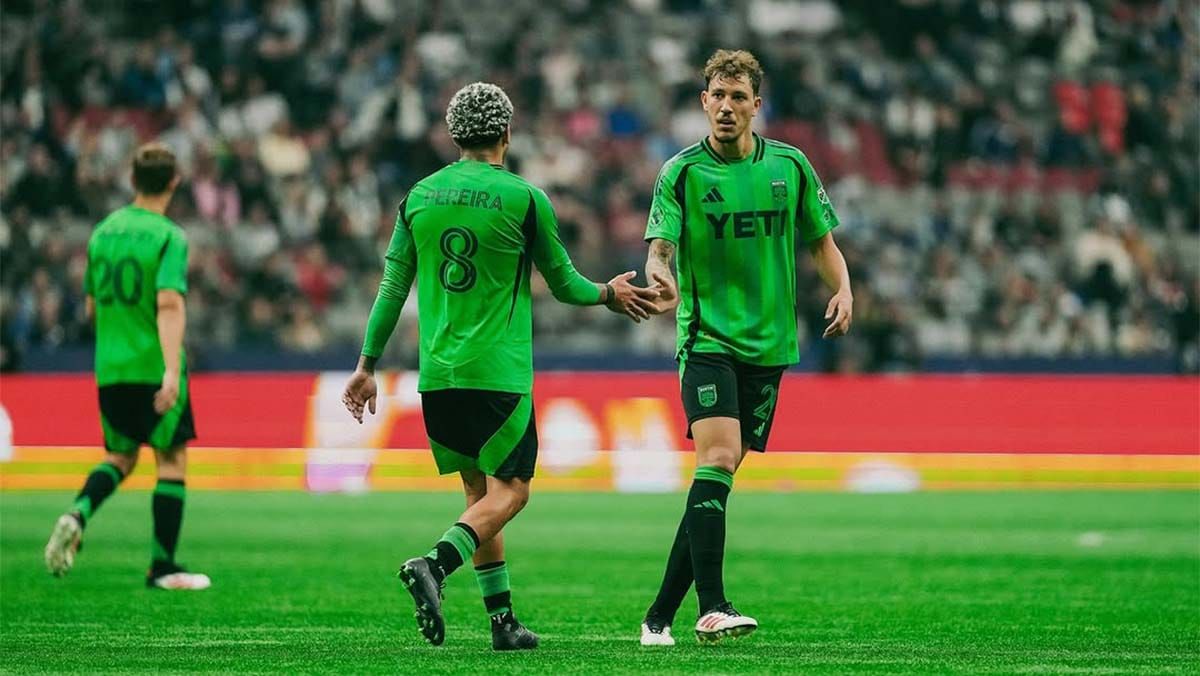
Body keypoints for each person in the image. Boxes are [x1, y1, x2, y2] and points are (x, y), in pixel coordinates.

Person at [341, 82, 658, 650]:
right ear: (507, 134)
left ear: (454, 134)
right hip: (498, 375)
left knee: (478, 497)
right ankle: (435, 565)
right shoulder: (524, 198)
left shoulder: (419, 196)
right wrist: (609, 294)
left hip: (436, 375)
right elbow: (564, 286)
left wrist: (367, 364)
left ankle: (502, 623)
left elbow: (393, 286)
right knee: (511, 494)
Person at [638, 50, 853, 645]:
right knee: (718, 459)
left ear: (757, 105)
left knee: (719, 476)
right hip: (707, 340)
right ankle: (713, 605)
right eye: (717, 96)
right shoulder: (681, 172)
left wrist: (846, 289)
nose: (726, 107)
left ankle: (658, 618)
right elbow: (660, 247)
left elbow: (821, 241)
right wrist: (661, 275)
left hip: (770, 345)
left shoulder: (791, 165)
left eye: (738, 97)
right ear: (703, 102)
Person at [44, 143, 209, 591]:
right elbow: (169, 304)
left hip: (110, 368)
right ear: (173, 183)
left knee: (120, 455)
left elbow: (93, 309)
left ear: (132, 180)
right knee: (171, 459)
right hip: (153, 366)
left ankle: (76, 513)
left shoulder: (101, 234)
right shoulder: (169, 236)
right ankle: (162, 566)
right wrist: (172, 371)